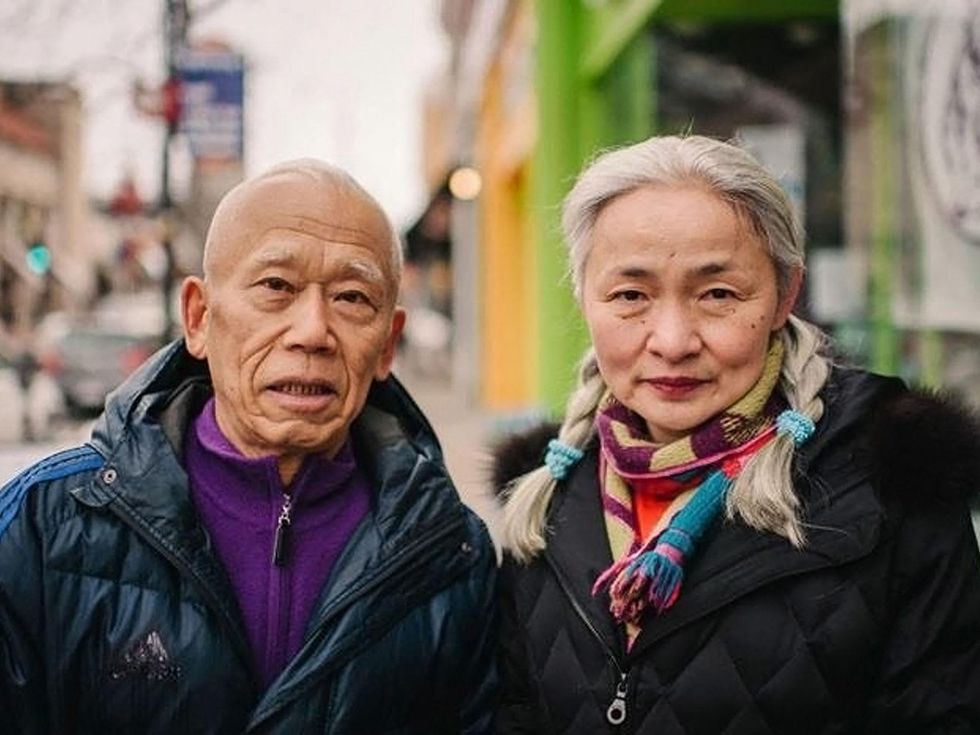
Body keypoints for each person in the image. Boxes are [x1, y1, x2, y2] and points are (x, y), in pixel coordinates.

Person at [492, 134, 980, 734]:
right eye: (630, 295)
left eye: (718, 294)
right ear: (584, 298)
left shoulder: (892, 476)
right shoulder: (546, 497)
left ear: (785, 295)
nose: (672, 341)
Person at [0, 160, 497, 733]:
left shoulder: (450, 555)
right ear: (199, 317)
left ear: (388, 344)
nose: (312, 332)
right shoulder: (44, 527)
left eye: (352, 297)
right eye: (276, 287)